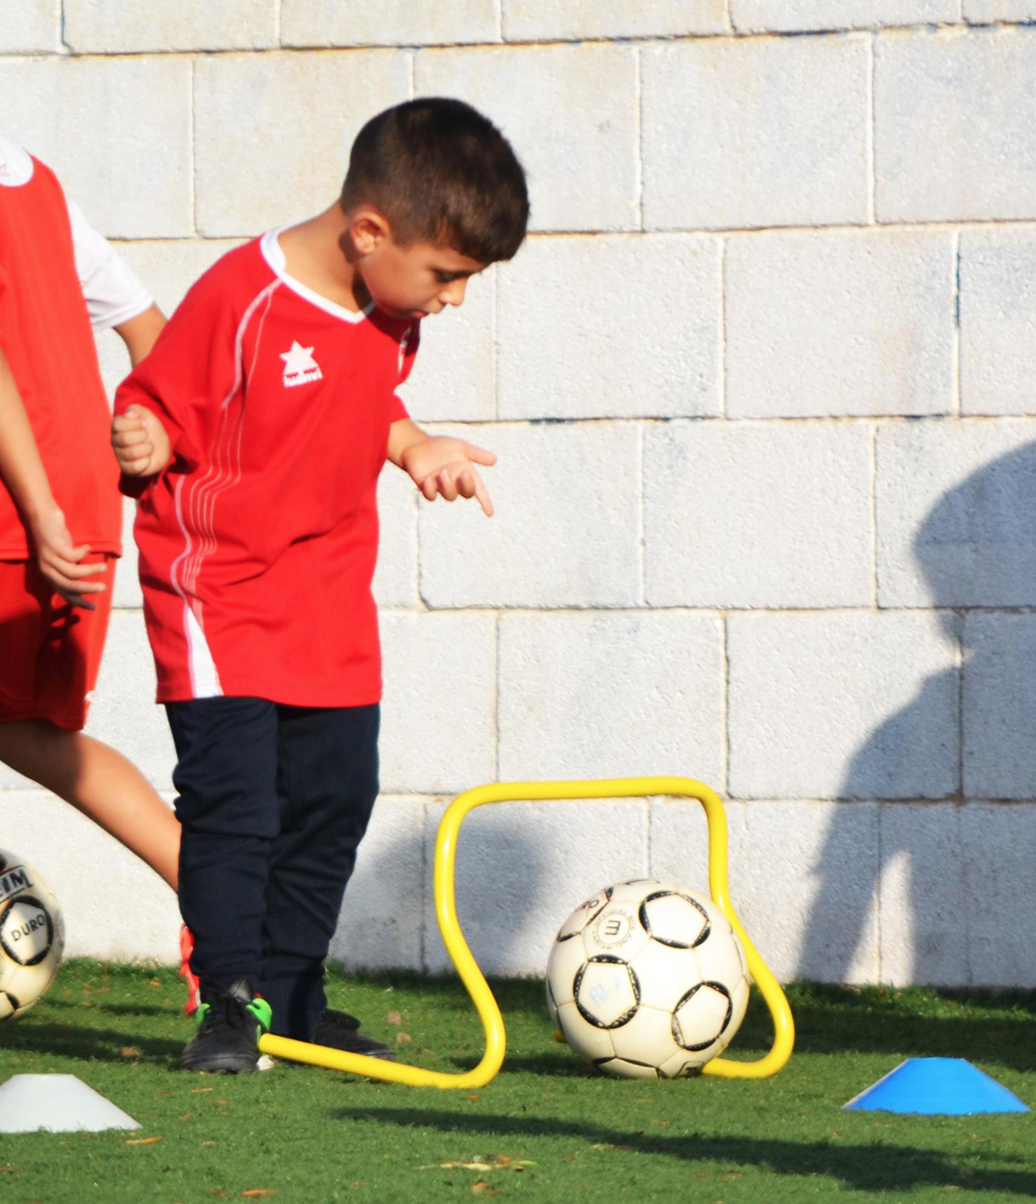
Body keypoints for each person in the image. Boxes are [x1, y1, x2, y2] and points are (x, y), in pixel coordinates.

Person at [110, 97, 529, 1073]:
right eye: (448, 275)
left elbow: (363, 398)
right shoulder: (242, 298)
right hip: (219, 588)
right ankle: (229, 1004)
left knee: (336, 794)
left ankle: (293, 996)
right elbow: (155, 399)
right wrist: (146, 435)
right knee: (237, 808)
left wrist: (414, 443)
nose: (453, 299)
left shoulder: (389, 311)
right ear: (368, 231)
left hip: (328, 590)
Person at [0, 133, 180, 892]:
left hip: (22, 506)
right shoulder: (36, 180)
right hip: (78, 500)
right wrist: (162, 432)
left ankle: (222, 896)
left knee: (28, 733)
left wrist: (39, 511)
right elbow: (153, 334)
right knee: (33, 733)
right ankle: (221, 897)